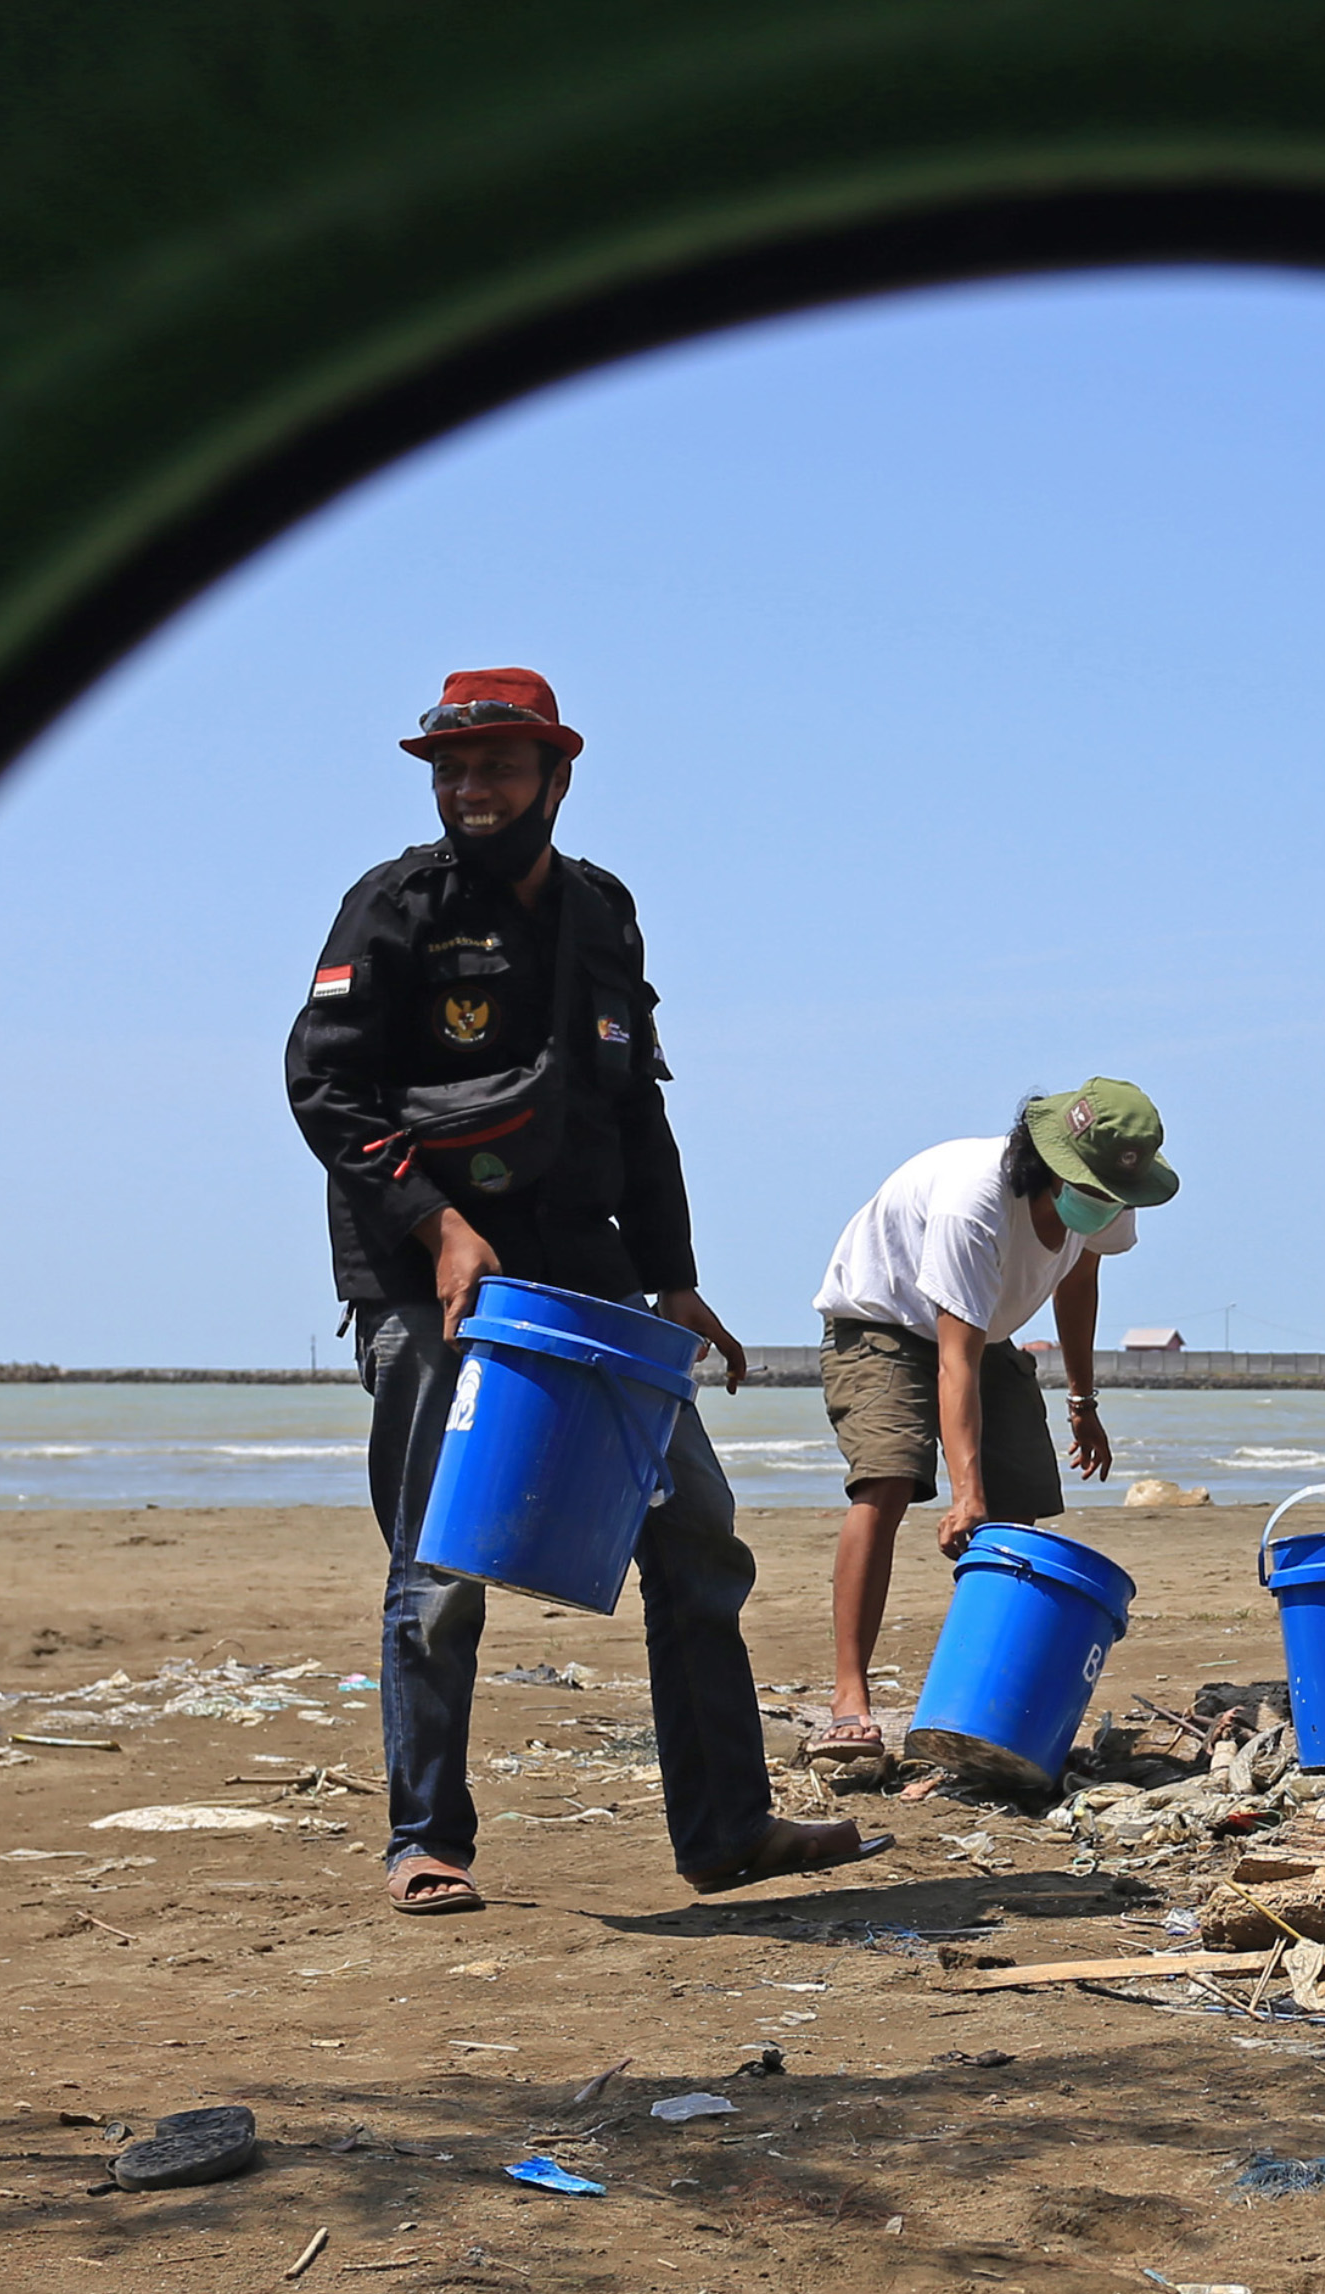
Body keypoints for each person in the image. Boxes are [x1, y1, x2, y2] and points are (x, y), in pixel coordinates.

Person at [286, 667, 880, 1914]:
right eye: (452, 769)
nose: (472, 789)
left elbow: (639, 1107)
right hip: (425, 1280)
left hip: (588, 1272)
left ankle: (726, 1828)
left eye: (498, 765)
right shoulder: (393, 906)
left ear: (557, 774)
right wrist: (437, 1224)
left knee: (695, 1532)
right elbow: (325, 1091)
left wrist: (676, 1279)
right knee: (437, 1565)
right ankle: (425, 1840)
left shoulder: (603, 913)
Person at [805, 1081, 1179, 1768]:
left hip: (982, 1334)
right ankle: (849, 1700)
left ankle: (990, 1706)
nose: (1103, 1206)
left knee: (1017, 1517)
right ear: (1053, 1166)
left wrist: (1083, 1401)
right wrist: (962, 1492)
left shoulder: (1108, 1199)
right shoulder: (972, 1204)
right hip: (883, 1320)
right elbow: (955, 1362)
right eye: (1090, 1187)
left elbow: (1077, 1285)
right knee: (887, 1480)